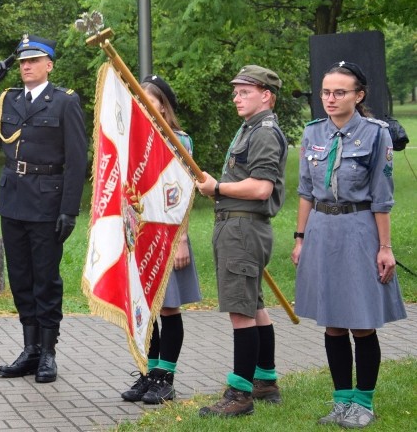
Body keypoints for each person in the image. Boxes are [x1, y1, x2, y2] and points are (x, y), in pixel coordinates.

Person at [0, 34, 87, 384]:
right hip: (13, 199)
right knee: (21, 279)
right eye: (22, 62)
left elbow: (77, 160)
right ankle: (29, 349)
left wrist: (69, 209)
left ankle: (47, 352)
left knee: (45, 280)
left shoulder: (64, 102)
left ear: (49, 65)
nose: (26, 66)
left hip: (47, 202)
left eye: (33, 60)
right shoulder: (7, 100)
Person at [291, 61, 407, 428]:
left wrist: (384, 247)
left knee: (360, 322)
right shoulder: (313, 134)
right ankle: (341, 401)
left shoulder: (376, 134)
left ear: (359, 96)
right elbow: (306, 191)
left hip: (359, 229)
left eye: (340, 92)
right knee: (333, 324)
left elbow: (382, 195)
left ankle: (364, 403)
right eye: (326, 91)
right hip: (322, 231)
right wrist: (300, 238)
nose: (331, 98)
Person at [194, 65, 287, 417]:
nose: (236, 97)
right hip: (239, 226)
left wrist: (217, 188)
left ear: (266, 95)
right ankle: (265, 379)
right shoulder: (250, 127)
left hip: (243, 230)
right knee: (254, 305)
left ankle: (240, 394)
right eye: (235, 91)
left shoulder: (263, 131)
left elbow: (261, 187)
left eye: (244, 91)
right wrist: (218, 188)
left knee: (240, 311)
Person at [121, 75, 201, 404]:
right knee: (147, 309)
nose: (141, 105)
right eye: (137, 99)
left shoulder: (179, 140)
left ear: (163, 107)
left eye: (148, 100)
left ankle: (165, 378)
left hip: (167, 235)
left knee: (168, 308)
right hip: (139, 236)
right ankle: (148, 373)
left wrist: (181, 240)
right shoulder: (133, 140)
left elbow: (183, 195)